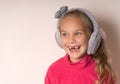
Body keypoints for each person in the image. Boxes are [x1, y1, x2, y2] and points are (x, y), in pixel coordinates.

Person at [45, 6, 115, 84]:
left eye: (78, 33)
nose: (71, 40)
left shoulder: (102, 72)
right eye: (65, 34)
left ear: (92, 38)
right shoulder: (54, 70)